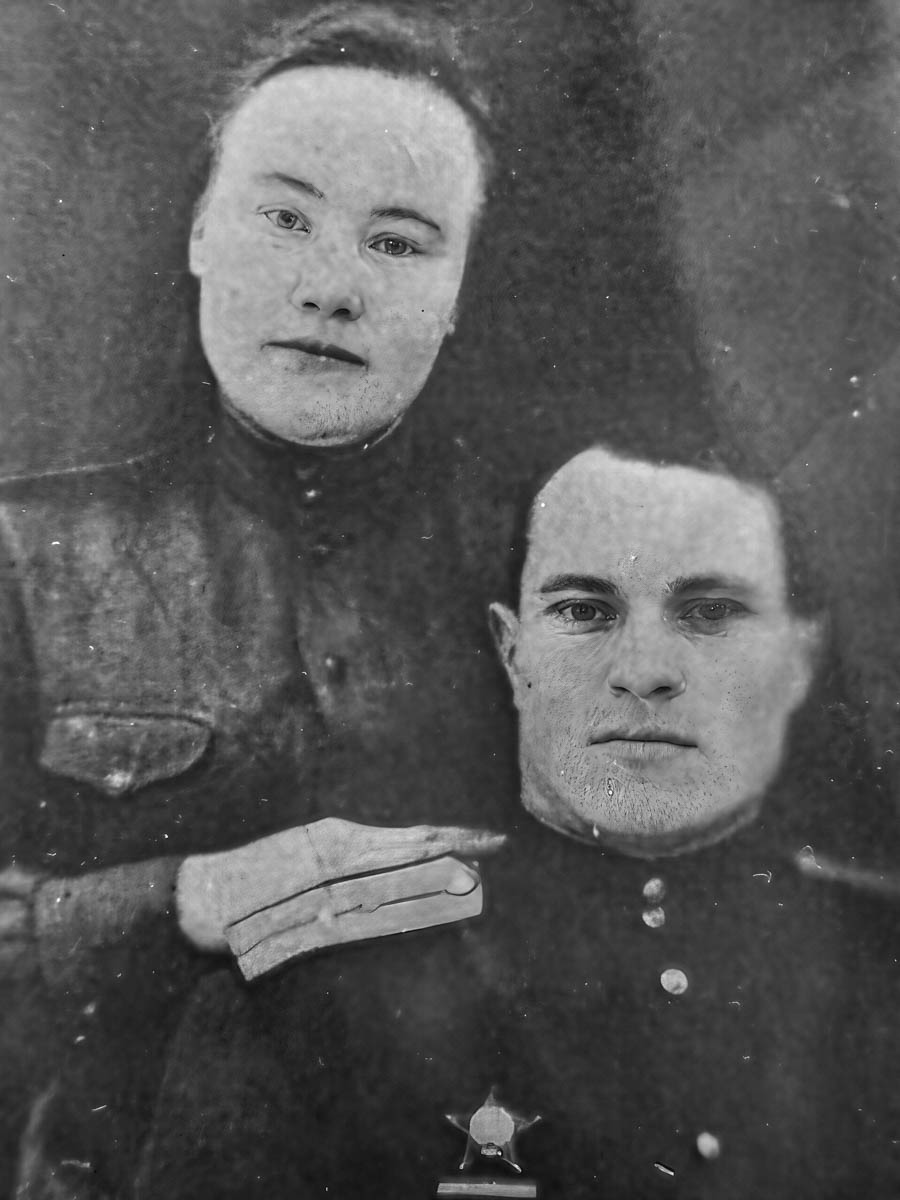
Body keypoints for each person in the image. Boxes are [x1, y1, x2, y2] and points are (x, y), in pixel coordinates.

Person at [0, 5, 510, 1195]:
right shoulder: (31, 556)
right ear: (199, 236)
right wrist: (188, 899)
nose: (331, 287)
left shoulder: (545, 563)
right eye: (284, 218)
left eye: (400, 242)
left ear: (458, 293)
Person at [140, 442, 900, 1197]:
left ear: (799, 659)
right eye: (584, 611)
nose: (643, 672)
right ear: (512, 653)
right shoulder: (316, 988)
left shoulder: (879, 957)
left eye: (710, 613)